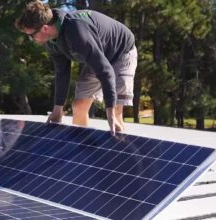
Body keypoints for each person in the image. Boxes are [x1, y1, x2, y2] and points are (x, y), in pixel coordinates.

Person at [15, 1, 137, 135]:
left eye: (31, 35)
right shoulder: (51, 41)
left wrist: (110, 113)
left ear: (45, 28)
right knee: (79, 107)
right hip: (97, 56)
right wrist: (58, 109)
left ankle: (117, 150)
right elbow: (62, 72)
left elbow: (106, 71)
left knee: (115, 114)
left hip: (121, 52)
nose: (31, 39)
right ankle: (82, 152)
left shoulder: (76, 31)